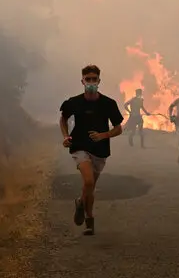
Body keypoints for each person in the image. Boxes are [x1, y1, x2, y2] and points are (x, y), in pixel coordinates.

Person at [59, 64, 124, 236]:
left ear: (99, 81)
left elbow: (118, 129)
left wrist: (103, 135)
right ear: (82, 81)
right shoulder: (74, 102)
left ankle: (83, 208)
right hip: (79, 146)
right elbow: (63, 119)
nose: (91, 82)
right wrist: (66, 136)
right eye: (88, 79)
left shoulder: (108, 104)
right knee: (88, 182)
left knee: (90, 187)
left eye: (94, 79)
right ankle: (88, 215)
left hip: (100, 150)